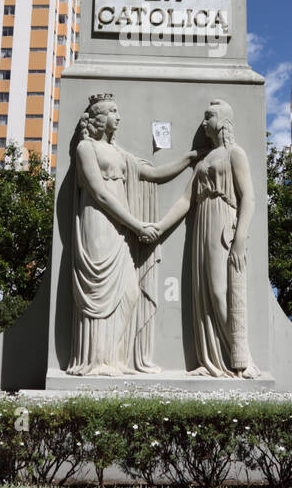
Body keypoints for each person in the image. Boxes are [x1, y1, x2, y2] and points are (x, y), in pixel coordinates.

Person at [68, 94, 197, 375]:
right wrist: (137, 225)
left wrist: (189, 159)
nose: (119, 117)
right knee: (100, 293)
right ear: (100, 118)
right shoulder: (85, 149)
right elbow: (100, 194)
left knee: (128, 292)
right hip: (99, 225)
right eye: (113, 112)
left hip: (121, 227)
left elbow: (154, 174)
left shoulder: (119, 154)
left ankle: (115, 359)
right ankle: (96, 362)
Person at [150, 100, 260, 378]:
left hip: (223, 219)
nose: (203, 123)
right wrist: (159, 227)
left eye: (209, 117)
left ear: (223, 121)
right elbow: (186, 200)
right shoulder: (203, 161)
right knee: (203, 293)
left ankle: (242, 360)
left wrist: (240, 239)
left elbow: (248, 197)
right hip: (201, 223)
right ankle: (212, 361)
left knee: (220, 291)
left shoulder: (235, 154)